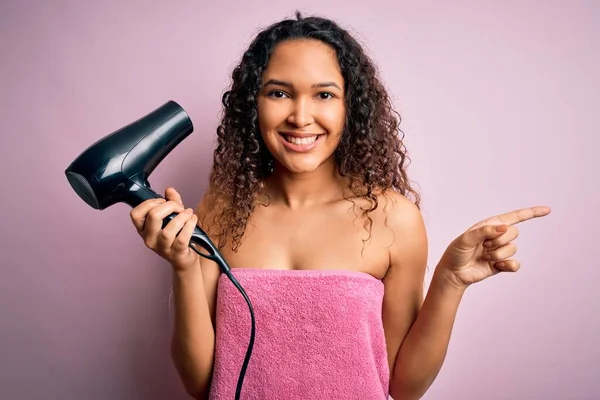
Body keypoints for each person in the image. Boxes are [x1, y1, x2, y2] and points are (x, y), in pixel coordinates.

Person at [129, 12, 550, 400]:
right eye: (279, 92)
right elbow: (201, 382)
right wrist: (183, 266)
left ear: (352, 108)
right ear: (252, 104)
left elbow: (402, 388)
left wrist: (450, 282)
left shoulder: (393, 219)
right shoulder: (223, 208)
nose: (300, 115)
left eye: (324, 95)